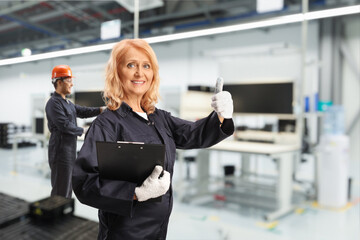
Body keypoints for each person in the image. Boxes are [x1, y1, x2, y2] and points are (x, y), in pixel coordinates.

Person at [72, 39, 234, 240]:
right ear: (117, 72)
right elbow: (84, 184)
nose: (140, 73)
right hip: (125, 233)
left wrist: (221, 115)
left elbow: (194, 133)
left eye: (146, 66)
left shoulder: (159, 118)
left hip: (158, 230)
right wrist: (135, 192)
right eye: (131, 65)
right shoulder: (107, 124)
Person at [45, 64, 105, 198]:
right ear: (59, 82)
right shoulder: (53, 103)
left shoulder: (66, 102)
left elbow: (82, 111)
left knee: (67, 185)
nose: (72, 84)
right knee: (61, 187)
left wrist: (102, 109)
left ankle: (64, 210)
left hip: (69, 149)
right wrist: (85, 130)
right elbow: (65, 125)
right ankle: (58, 213)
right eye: (69, 80)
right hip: (60, 151)